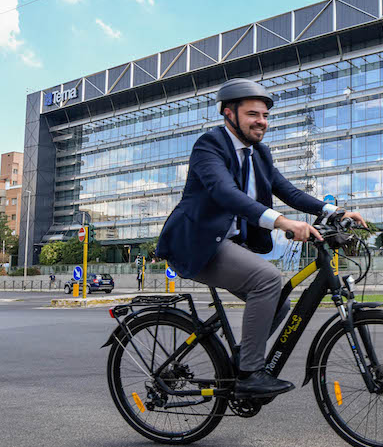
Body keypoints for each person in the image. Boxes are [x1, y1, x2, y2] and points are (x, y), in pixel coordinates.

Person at [156, 78, 367, 396]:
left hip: (226, 244)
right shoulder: (209, 146)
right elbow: (225, 193)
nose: (262, 122)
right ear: (229, 114)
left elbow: (289, 191)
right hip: (196, 245)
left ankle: (242, 358)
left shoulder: (259, 154)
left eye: (265, 116)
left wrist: (334, 213)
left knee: (278, 302)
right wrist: (282, 222)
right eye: (254, 114)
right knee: (267, 280)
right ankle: (249, 373)